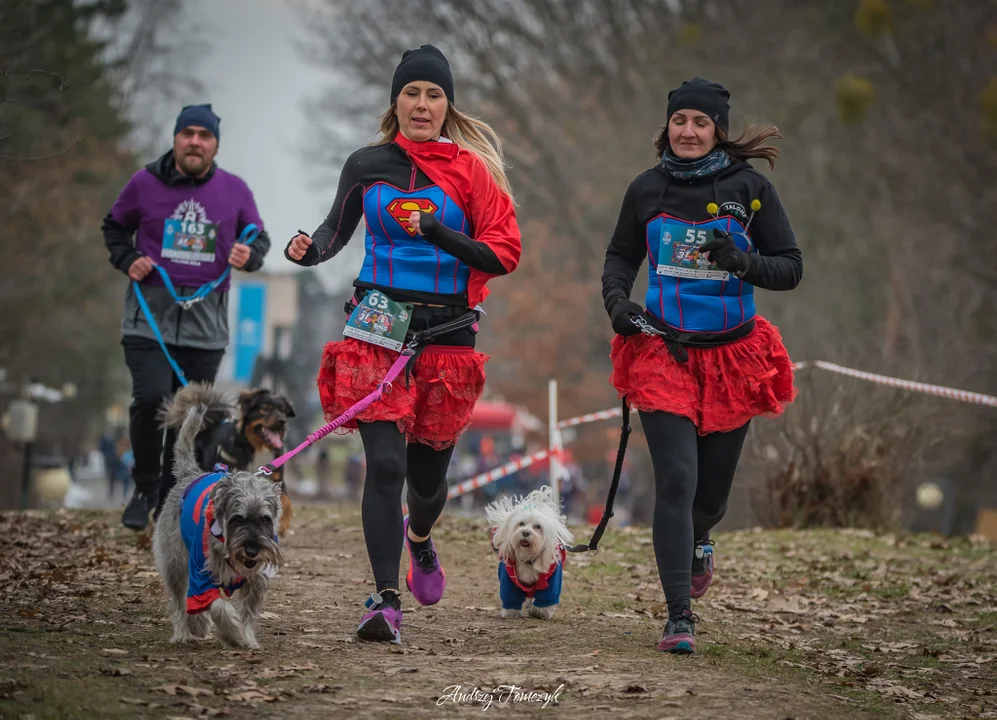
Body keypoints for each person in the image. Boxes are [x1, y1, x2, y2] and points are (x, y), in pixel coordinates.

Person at [286, 44, 520, 644]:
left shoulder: (473, 172)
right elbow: (335, 230)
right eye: (412, 92)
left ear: (448, 105)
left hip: (447, 334)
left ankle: (420, 536)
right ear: (396, 100)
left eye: (434, 94)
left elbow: (503, 252)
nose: (421, 104)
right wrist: (308, 249)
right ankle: (385, 600)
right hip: (377, 326)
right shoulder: (368, 163)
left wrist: (439, 231)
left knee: (425, 480)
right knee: (384, 465)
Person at [601, 78, 802, 654]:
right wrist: (618, 302)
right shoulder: (645, 189)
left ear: (717, 130)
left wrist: (742, 261)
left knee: (709, 498)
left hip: (732, 357)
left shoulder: (750, 188)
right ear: (666, 127)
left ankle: (701, 539)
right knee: (677, 482)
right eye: (679, 121)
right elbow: (620, 255)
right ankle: (678, 617)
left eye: (700, 122)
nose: (687, 131)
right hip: (664, 352)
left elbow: (790, 267)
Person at [103, 104, 272, 531]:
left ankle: (173, 499)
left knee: (193, 416)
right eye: (188, 133)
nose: (195, 141)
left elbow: (260, 239)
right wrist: (128, 258)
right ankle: (144, 489)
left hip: (204, 327)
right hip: (149, 319)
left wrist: (248, 255)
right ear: (176, 138)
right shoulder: (144, 183)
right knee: (151, 400)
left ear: (215, 145)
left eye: (204, 135)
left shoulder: (234, 190)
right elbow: (114, 227)